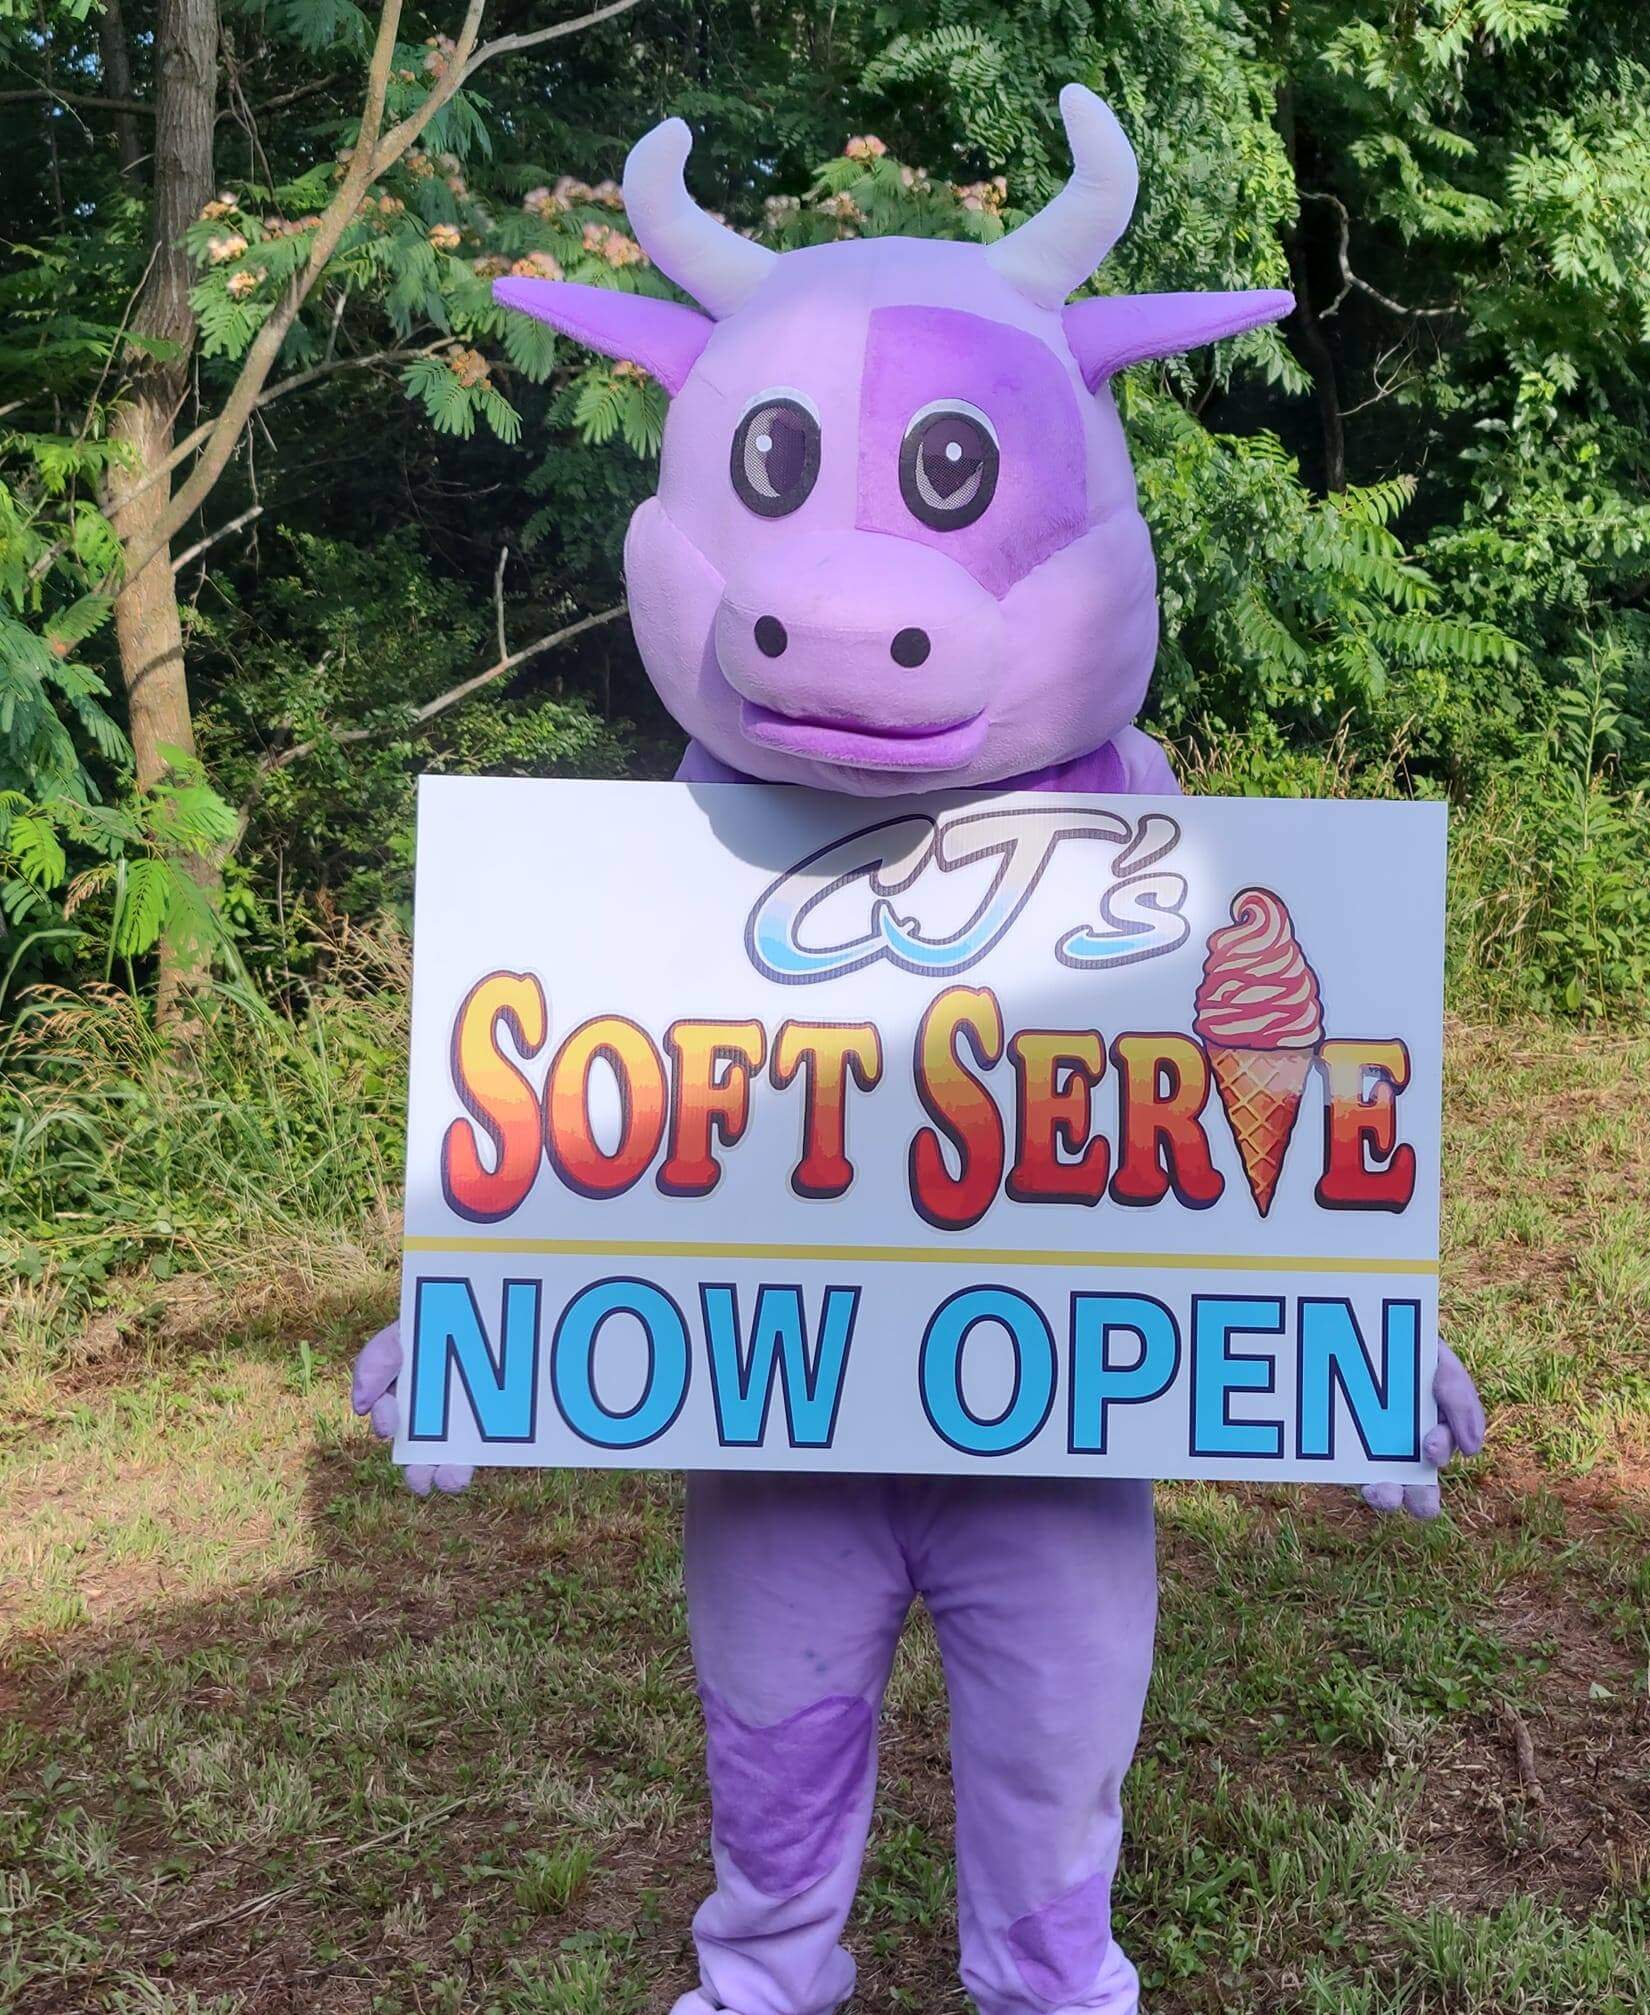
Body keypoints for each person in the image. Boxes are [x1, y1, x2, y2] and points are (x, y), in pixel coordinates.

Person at [352, 86, 1487, 2015]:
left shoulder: (1154, 836)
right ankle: (767, 1979)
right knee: (769, 1760)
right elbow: (576, 1101)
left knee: (1058, 1779)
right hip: (778, 1434)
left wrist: (1358, 1338)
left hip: (1055, 1437)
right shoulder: (672, 859)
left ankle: (1051, 1987)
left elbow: (1257, 1067)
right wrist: (472, 1319)